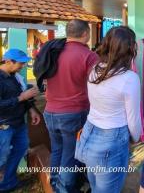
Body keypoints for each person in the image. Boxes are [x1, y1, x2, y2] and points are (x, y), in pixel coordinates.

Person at [74, 26, 142, 191]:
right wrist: (136, 137)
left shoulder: (95, 70)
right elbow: (133, 119)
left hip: (90, 132)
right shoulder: (129, 78)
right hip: (112, 138)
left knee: (95, 184)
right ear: (130, 49)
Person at [44, 19, 99, 192]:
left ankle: (54, 183)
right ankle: (65, 188)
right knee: (70, 155)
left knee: (57, 150)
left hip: (50, 110)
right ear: (85, 34)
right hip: (73, 113)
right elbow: (98, 84)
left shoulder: (53, 51)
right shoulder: (89, 55)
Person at [0, 49, 41, 192]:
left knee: (20, 150)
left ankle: (8, 183)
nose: (23, 66)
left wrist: (31, 109)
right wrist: (21, 98)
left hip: (18, 123)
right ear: (8, 61)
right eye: (21, 63)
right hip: (4, 125)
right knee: (2, 156)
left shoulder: (14, 76)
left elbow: (22, 94)